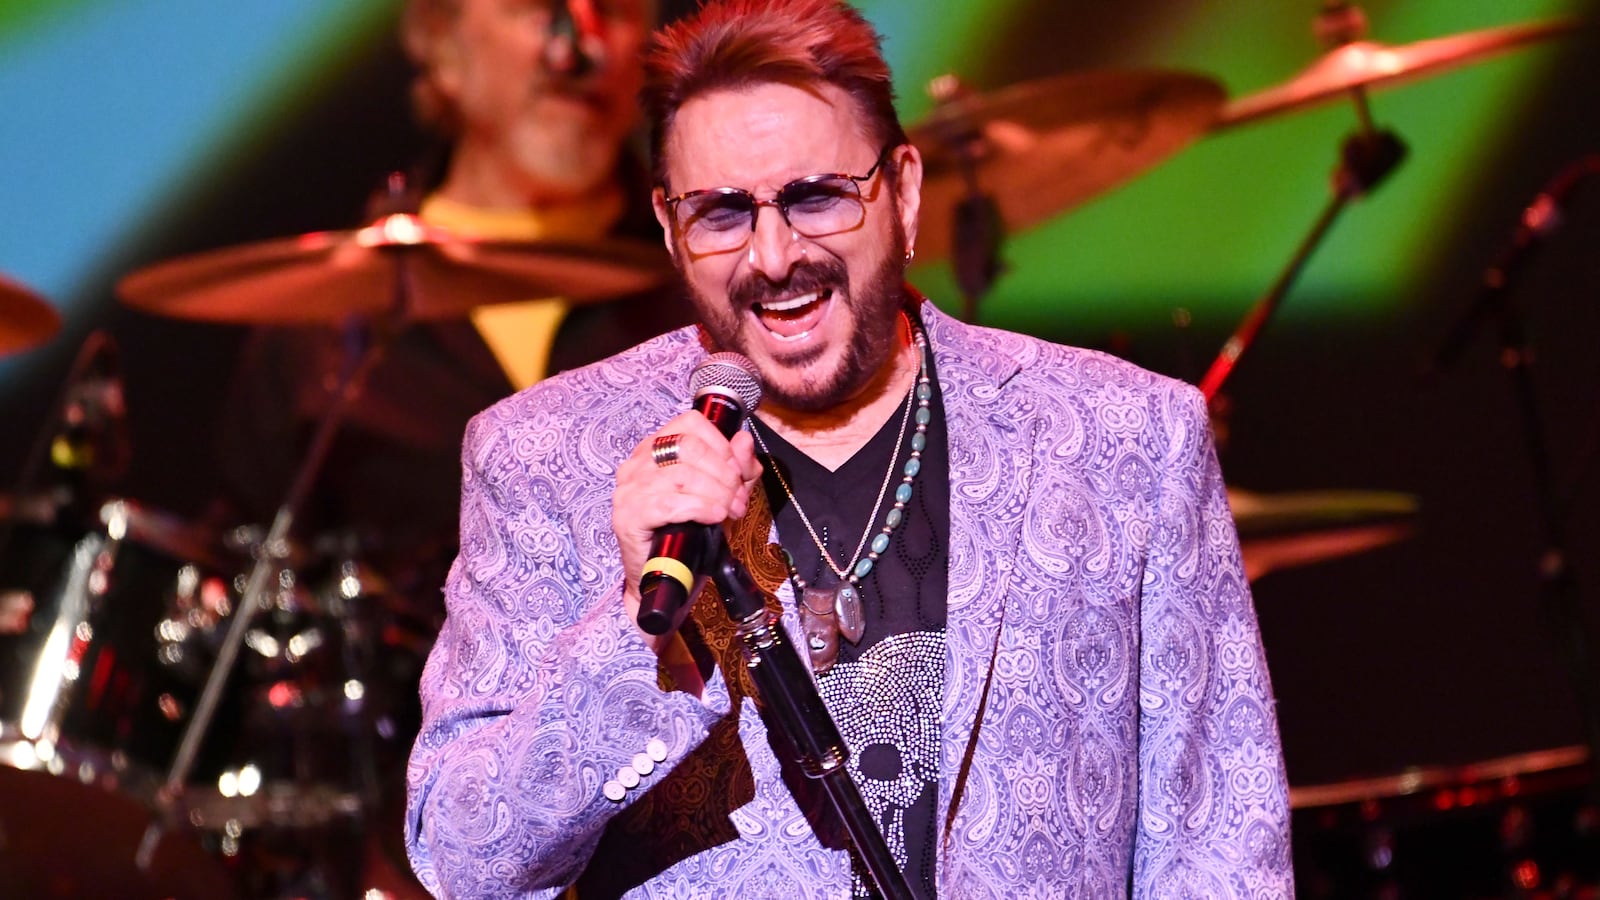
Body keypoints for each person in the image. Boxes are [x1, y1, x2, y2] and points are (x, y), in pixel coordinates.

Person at [405, 0, 1295, 896]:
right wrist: (635, 639)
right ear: (672, 230)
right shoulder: (541, 457)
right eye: (721, 214)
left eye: (816, 197)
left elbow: (1222, 846)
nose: (774, 254)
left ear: (903, 193)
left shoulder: (1124, 440)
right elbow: (460, 859)